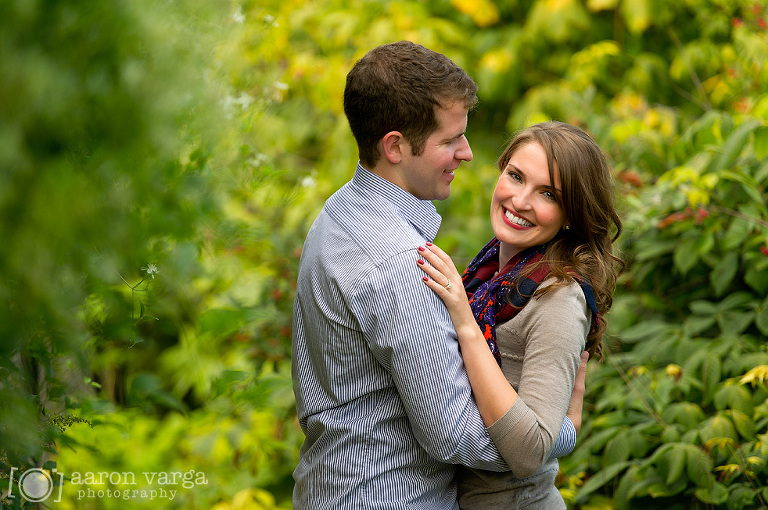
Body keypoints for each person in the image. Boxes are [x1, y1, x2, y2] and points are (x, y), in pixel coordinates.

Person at [291, 41, 584, 510]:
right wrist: (559, 431)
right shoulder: (396, 262)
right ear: (395, 146)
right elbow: (456, 435)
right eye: (450, 140)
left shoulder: (338, 214)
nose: (467, 154)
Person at [416, 121, 624, 508]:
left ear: (571, 215)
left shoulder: (558, 297)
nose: (520, 200)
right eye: (515, 176)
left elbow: (530, 451)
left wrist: (463, 320)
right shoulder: (490, 275)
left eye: (547, 193)